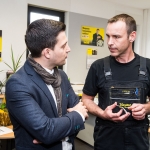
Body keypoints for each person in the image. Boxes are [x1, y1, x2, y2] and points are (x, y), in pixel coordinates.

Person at [6, 19, 88, 150]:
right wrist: (76, 116)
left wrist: (56, 131)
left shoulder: (62, 76)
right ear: (47, 52)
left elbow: (82, 113)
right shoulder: (18, 84)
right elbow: (47, 131)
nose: (69, 49)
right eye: (63, 46)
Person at [82, 13, 150, 150]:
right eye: (108, 36)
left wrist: (146, 108)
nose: (109, 42)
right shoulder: (98, 67)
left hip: (138, 141)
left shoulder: (148, 66)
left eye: (116, 37)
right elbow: (86, 100)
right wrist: (102, 114)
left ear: (132, 36)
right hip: (106, 139)